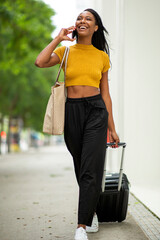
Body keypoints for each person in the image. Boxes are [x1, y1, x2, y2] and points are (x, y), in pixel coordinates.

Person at [35, 8, 120, 240]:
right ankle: (91, 211)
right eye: (79, 18)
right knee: (81, 167)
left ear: (95, 28)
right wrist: (58, 38)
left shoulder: (102, 57)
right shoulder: (65, 52)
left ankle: (81, 225)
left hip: (96, 111)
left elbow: (106, 95)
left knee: (91, 168)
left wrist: (112, 128)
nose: (82, 21)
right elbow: (40, 62)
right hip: (71, 110)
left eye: (88, 19)